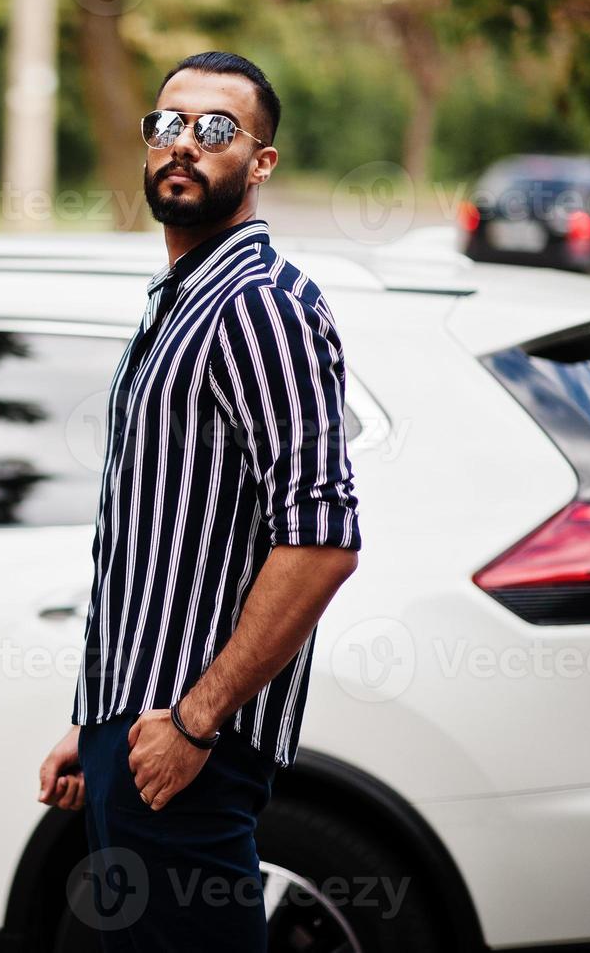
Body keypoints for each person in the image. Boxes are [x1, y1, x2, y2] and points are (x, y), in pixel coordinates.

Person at [36, 51, 363, 951]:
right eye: (166, 124)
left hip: (186, 746)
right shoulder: (177, 300)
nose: (183, 145)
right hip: (130, 729)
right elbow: (143, 544)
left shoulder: (260, 307)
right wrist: (92, 719)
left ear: (259, 161)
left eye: (214, 129)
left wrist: (192, 720)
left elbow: (322, 540)